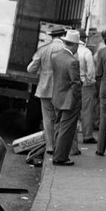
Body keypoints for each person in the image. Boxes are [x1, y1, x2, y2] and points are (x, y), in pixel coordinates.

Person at [26, 25, 66, 155]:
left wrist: (42, 71)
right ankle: (60, 145)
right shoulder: (67, 50)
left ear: (51, 36)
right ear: (63, 35)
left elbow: (31, 69)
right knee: (61, 118)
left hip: (45, 88)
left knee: (48, 119)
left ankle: (50, 147)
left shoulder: (43, 49)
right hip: (61, 89)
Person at [51, 30, 82, 166]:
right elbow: (75, 84)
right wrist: (79, 99)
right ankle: (60, 157)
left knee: (58, 126)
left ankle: (57, 152)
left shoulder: (56, 57)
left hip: (57, 96)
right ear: (75, 45)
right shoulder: (73, 62)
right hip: (69, 100)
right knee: (67, 129)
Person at [77, 28, 97, 144]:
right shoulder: (86, 52)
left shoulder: (67, 50)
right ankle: (87, 135)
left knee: (71, 110)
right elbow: (91, 71)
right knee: (86, 110)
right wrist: (91, 82)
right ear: (84, 39)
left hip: (71, 84)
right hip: (85, 84)